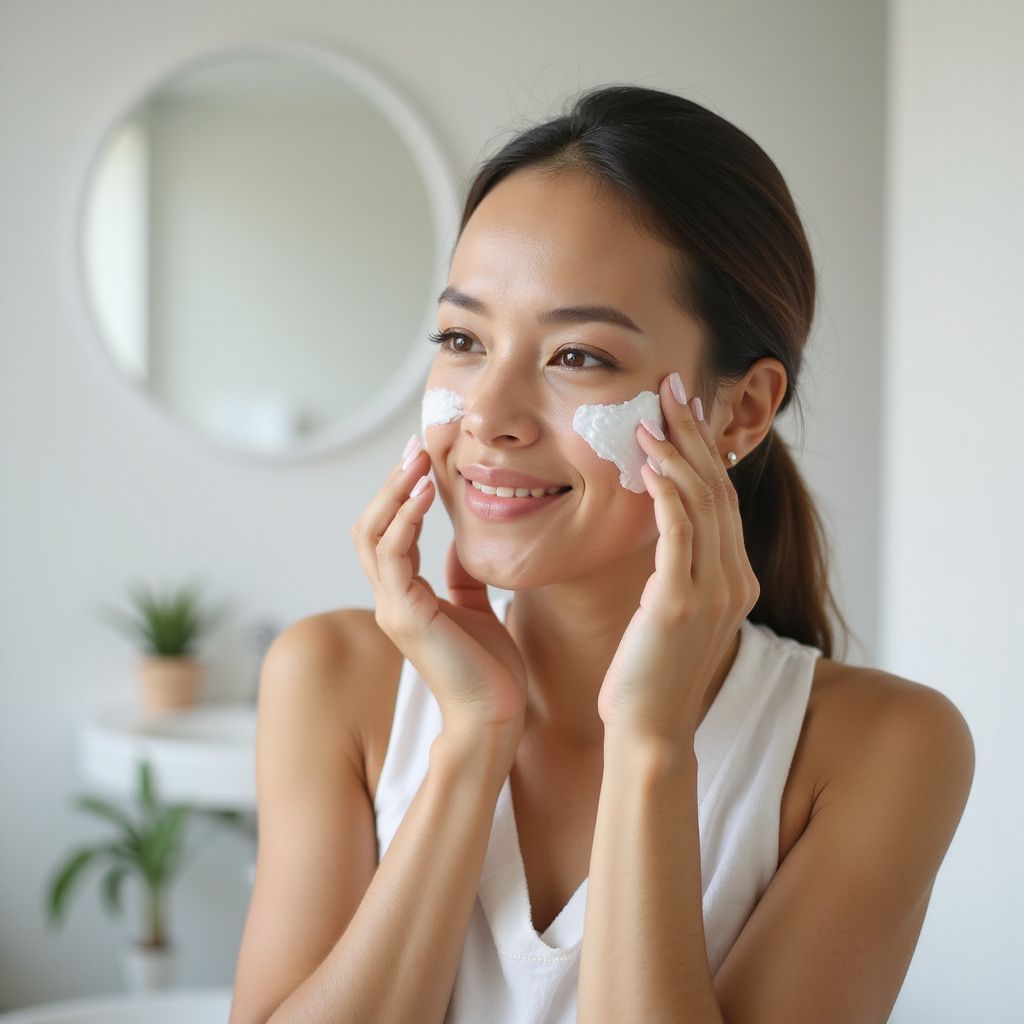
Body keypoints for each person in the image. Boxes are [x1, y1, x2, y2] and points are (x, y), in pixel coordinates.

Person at [228, 84, 975, 1024]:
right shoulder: (332, 677)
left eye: (577, 357)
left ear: (738, 410)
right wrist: (470, 742)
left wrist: (651, 744)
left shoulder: (881, 750)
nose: (489, 419)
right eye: (463, 339)